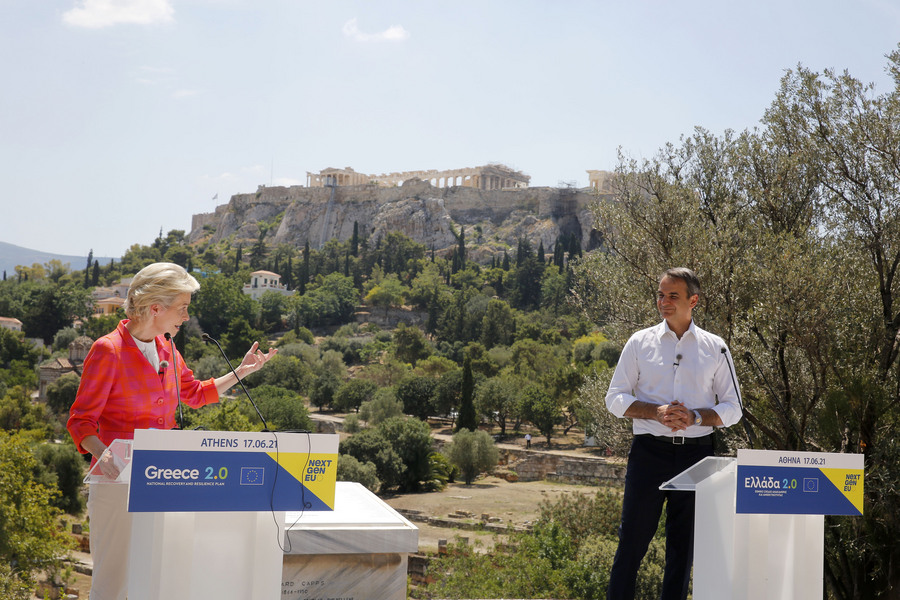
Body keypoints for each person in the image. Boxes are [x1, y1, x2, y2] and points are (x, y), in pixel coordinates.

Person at [67, 262, 277, 600]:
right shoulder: (109, 350)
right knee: (113, 585)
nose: (185, 316)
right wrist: (103, 453)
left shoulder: (167, 348)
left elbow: (193, 393)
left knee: (158, 580)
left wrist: (241, 371)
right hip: (120, 483)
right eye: (182, 308)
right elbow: (80, 422)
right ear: (155, 308)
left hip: (165, 477)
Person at [605, 267, 742, 600]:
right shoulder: (639, 343)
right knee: (632, 542)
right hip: (649, 453)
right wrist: (656, 412)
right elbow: (614, 398)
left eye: (672, 296)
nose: (663, 302)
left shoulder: (716, 348)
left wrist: (695, 417)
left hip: (697, 456)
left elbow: (733, 408)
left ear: (693, 300)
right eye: (660, 295)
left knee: (682, 549)